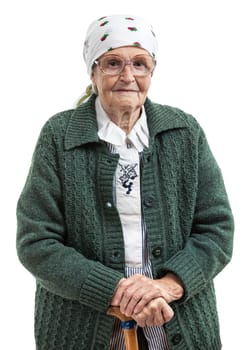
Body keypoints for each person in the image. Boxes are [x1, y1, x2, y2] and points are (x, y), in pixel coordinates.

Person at [16, 14, 234, 350]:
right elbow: (36, 242)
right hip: (83, 329)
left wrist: (167, 286)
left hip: (179, 323)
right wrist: (119, 293)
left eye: (140, 64)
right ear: (93, 71)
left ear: (152, 71)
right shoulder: (59, 137)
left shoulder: (184, 133)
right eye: (113, 63)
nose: (128, 76)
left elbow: (216, 230)